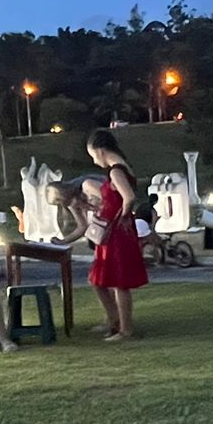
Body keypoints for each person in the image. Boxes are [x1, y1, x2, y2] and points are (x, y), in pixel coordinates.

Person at [83, 128, 148, 340]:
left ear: (101, 150)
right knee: (101, 279)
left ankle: (125, 329)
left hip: (117, 232)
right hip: (114, 231)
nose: (94, 161)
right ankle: (113, 320)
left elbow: (128, 197)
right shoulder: (121, 168)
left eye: (93, 155)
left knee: (119, 282)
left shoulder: (116, 170)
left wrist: (122, 217)